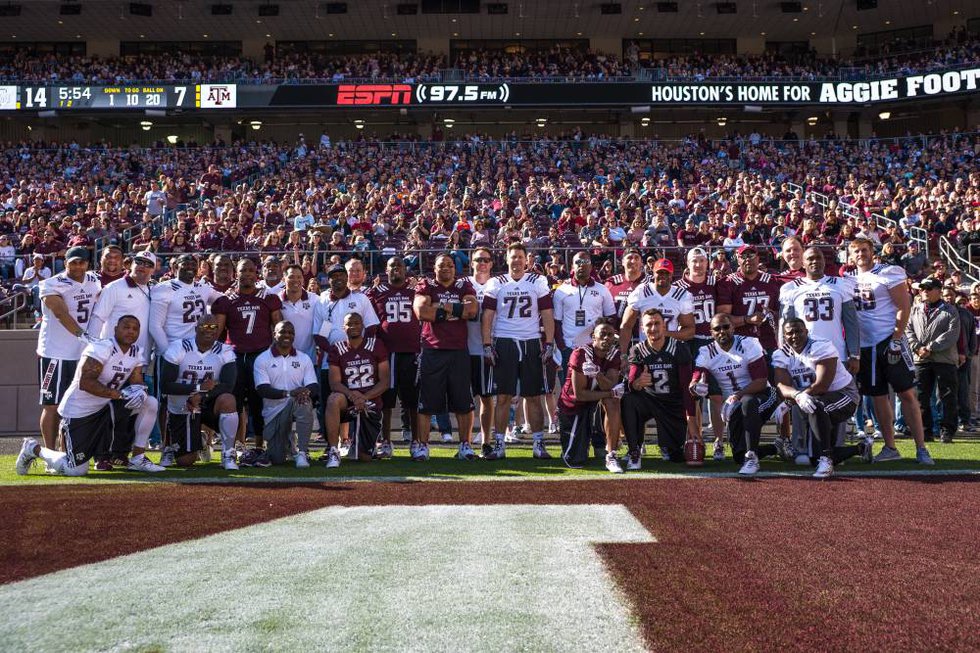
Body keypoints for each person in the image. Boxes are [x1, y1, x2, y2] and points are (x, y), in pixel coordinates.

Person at [16, 315, 164, 476]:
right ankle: (33, 448)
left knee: (149, 402)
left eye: (135, 329)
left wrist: (140, 390)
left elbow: (137, 380)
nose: (131, 331)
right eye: (126, 327)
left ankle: (138, 458)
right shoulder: (102, 347)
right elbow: (86, 383)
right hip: (79, 412)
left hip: (105, 408)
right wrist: (120, 394)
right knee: (76, 470)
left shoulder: (136, 352)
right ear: (115, 329)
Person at [846, 238, 934, 464]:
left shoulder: (888, 272)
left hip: (888, 339)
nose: (860, 254)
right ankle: (890, 446)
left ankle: (921, 447)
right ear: (850, 255)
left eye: (864, 250)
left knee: (906, 393)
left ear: (872, 251)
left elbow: (904, 306)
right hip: (865, 346)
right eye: (855, 251)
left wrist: (896, 338)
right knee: (877, 397)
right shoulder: (848, 278)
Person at [778, 246, 862, 463]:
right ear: (802, 263)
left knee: (833, 402)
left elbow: (851, 323)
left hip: (835, 354)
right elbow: (785, 324)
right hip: (801, 356)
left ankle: (835, 449)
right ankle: (800, 447)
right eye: (810, 258)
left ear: (825, 261)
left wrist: (854, 354)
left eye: (819, 258)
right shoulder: (791, 287)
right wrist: (784, 353)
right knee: (801, 399)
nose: (815, 262)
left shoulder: (840, 284)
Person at [481, 242, 555, 460]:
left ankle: (538, 443)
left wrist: (548, 343)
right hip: (504, 341)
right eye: (512, 257)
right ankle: (499, 444)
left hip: (531, 341)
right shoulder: (496, 283)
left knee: (533, 396)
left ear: (526, 260)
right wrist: (487, 344)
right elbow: (487, 316)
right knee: (503, 397)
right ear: (506, 259)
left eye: (520, 257)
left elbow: (547, 313)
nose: (516, 261)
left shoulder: (537, 281)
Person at [773, 319, 872, 479]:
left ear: (806, 331)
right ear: (784, 336)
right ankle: (861, 448)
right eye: (790, 333)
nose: (794, 336)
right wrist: (793, 397)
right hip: (814, 399)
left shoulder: (820, 346)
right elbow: (782, 386)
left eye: (798, 331)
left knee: (816, 405)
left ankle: (826, 460)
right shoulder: (781, 354)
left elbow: (822, 385)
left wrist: (797, 397)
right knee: (813, 458)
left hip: (844, 395)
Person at [690, 314, 783, 476]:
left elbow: (761, 381)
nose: (722, 331)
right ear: (711, 332)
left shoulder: (748, 343)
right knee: (738, 455)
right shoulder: (706, 351)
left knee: (748, 403)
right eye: (717, 329)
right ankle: (776, 447)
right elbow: (698, 374)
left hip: (764, 395)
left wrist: (737, 396)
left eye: (726, 327)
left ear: (733, 327)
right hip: (735, 406)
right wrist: (696, 385)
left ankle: (752, 457)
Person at [211, 257, 284, 467]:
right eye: (244, 270)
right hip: (234, 356)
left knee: (258, 402)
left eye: (251, 270)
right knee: (233, 403)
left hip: (260, 356)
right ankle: (233, 448)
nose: (248, 274)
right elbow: (218, 332)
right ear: (237, 273)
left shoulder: (268, 298)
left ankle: (259, 447)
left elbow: (278, 328)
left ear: (256, 273)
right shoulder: (227, 299)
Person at [414, 253, 479, 460]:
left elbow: (472, 310)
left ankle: (465, 445)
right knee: (426, 402)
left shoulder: (464, 286)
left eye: (450, 265)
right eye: (442, 266)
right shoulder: (427, 285)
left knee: (463, 401)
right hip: (432, 350)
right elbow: (422, 312)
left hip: (458, 350)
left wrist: (439, 309)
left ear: (455, 268)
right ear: (435, 268)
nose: (446, 269)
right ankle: (423, 445)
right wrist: (456, 310)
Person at [35, 246, 101, 450]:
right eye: (73, 262)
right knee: (52, 405)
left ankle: (68, 450)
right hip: (56, 354)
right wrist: (84, 336)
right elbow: (61, 313)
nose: (77, 266)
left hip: (83, 355)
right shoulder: (51, 283)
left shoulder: (94, 280)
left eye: (81, 262)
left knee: (75, 405)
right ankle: (50, 452)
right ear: (65, 263)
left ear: (87, 263)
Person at [159, 315, 239, 469]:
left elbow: (228, 386)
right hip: (182, 404)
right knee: (185, 461)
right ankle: (171, 445)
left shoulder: (225, 351)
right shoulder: (179, 347)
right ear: (196, 328)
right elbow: (166, 385)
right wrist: (197, 389)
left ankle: (228, 453)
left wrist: (201, 395)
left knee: (228, 399)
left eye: (213, 327)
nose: (209, 330)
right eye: (204, 326)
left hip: (207, 403)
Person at [623, 309, 698, 469]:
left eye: (657, 323)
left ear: (664, 326)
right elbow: (632, 382)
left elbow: (686, 388)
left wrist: (692, 424)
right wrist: (638, 383)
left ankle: (668, 445)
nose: (653, 328)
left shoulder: (679, 348)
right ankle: (634, 450)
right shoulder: (638, 349)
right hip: (649, 401)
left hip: (672, 405)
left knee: (675, 456)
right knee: (628, 399)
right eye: (649, 324)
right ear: (642, 328)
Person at [367, 256, 421, 458]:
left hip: (411, 351)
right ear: (386, 270)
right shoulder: (376, 292)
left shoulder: (416, 289)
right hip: (386, 353)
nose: (396, 269)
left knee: (412, 401)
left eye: (399, 266)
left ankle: (416, 442)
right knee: (386, 401)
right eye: (392, 266)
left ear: (406, 269)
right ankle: (386, 441)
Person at [676, 247, 725, 460]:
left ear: (707, 263)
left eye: (701, 261)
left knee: (716, 395)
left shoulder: (716, 283)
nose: (698, 265)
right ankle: (696, 438)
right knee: (692, 395)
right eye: (694, 261)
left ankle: (719, 441)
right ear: (687, 263)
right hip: (689, 343)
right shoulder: (677, 287)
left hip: (713, 343)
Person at [324, 312, 389, 468]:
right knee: (333, 399)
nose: (353, 326)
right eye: (349, 324)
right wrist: (353, 396)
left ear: (363, 325)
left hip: (369, 403)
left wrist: (364, 397)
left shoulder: (376, 345)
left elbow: (385, 381)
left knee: (364, 458)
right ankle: (333, 451)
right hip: (348, 400)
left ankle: (360, 445)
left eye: (357, 323)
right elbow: (334, 383)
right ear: (343, 327)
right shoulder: (337, 349)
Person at [557, 320, 624, 472]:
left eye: (610, 335)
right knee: (575, 460)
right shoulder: (581, 354)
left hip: (594, 403)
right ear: (594, 337)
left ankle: (611, 454)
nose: (607, 338)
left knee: (614, 401)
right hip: (573, 406)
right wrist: (609, 392)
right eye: (603, 334)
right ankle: (583, 441)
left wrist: (598, 375)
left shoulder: (614, 355)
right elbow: (580, 394)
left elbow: (610, 385)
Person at [254, 321, 319, 467]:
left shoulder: (303, 358)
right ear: (274, 334)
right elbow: (262, 389)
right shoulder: (262, 359)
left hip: (296, 403)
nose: (287, 335)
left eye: (290, 333)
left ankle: (302, 453)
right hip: (274, 413)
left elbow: (313, 385)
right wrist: (290, 393)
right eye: (283, 332)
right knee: (277, 459)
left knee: (305, 401)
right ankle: (289, 441)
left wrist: (306, 392)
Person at [907, 278, 960, 444]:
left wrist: (930, 347)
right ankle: (925, 431)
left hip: (944, 360)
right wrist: (917, 347)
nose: (925, 291)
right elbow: (908, 331)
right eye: (923, 288)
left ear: (939, 290)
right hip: (921, 360)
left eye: (929, 288)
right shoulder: (915, 309)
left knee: (947, 396)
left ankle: (947, 431)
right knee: (921, 397)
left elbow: (951, 334)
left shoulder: (951, 310)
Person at [618, 258, 695, 358]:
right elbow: (626, 326)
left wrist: (665, 334)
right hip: (645, 350)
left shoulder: (681, 296)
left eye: (666, 273)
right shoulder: (641, 292)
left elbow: (690, 331)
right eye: (659, 272)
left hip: (670, 351)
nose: (663, 275)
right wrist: (623, 354)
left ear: (671, 275)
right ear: (653, 273)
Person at [717, 245, 782, 356]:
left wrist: (773, 315)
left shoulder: (772, 281)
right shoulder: (728, 283)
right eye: (743, 256)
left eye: (751, 255)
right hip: (739, 343)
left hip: (768, 341)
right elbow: (723, 319)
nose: (748, 259)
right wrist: (747, 319)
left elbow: (780, 314)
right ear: (738, 260)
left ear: (758, 259)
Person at [467, 246, 496, 447]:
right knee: (466, 400)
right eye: (478, 259)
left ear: (491, 263)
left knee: (487, 397)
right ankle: (466, 442)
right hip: (465, 349)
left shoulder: (498, 285)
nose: (482, 263)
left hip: (487, 350)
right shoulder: (463, 284)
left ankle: (486, 441)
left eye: (486, 259)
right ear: (472, 263)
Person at [604, 247, 649, 330]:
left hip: (644, 335)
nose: (633, 261)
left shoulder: (651, 282)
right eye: (629, 258)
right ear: (622, 262)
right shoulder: (611, 283)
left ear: (642, 262)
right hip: (618, 335)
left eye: (636, 258)